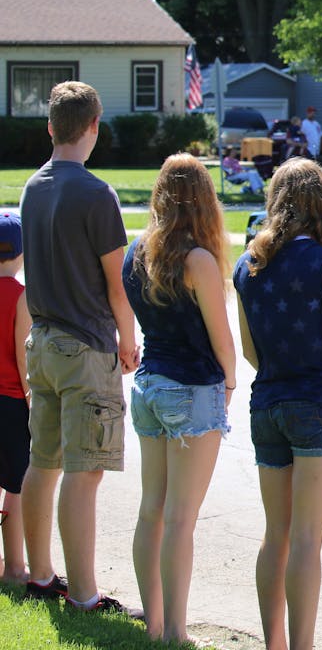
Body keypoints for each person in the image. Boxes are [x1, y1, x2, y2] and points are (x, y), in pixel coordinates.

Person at [20, 81, 139, 613]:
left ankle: (41, 576)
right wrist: (130, 339)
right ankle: (85, 595)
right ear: (94, 128)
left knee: (42, 462)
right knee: (85, 471)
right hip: (85, 346)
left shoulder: (31, 186)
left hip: (40, 342)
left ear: (50, 127)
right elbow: (117, 284)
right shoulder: (97, 193)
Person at [233, 158, 322, 650]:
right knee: (308, 539)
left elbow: (249, 352)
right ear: (321, 205)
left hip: (267, 404)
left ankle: (275, 644)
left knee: (276, 535)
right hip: (318, 404)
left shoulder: (248, 263)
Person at [124, 154, 237, 644]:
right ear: (203, 201)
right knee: (180, 519)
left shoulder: (137, 251)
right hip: (192, 391)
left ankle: (152, 626)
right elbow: (221, 340)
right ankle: (175, 632)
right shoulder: (199, 260)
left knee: (152, 508)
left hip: (149, 386)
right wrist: (231, 384)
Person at [0, 212, 31, 585]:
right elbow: (24, 356)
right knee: (18, 486)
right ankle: (15, 568)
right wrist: (31, 399)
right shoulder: (21, 296)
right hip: (10, 402)